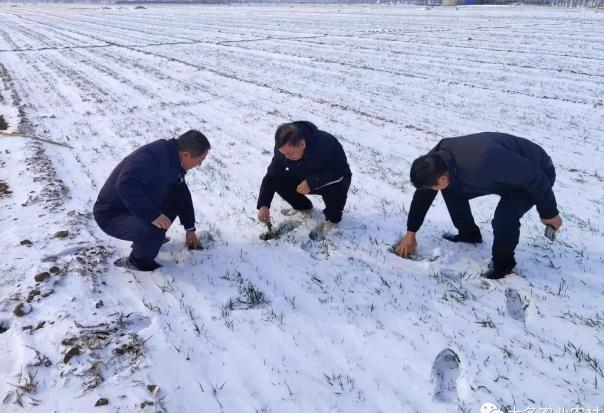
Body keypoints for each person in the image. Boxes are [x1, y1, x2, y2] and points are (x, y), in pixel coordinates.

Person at [395, 132, 562, 279]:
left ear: (442, 179)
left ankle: (503, 267)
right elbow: (424, 193)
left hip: (537, 172)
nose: (431, 191)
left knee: (504, 218)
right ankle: (469, 235)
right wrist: (411, 232)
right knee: (452, 190)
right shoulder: (436, 158)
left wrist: (549, 213)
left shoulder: (485, 159)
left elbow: (535, 176)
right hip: (503, 175)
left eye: (434, 186)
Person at [93, 130, 210, 271]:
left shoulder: (174, 159)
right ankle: (138, 262)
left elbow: (181, 194)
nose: (199, 165)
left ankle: (148, 240)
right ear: (186, 154)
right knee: (153, 231)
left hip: (131, 207)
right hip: (110, 214)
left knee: (172, 201)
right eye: (200, 159)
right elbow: (125, 184)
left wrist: (190, 230)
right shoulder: (153, 157)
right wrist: (153, 215)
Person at [257, 121, 352, 238]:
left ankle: (332, 220)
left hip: (334, 180)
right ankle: (304, 207)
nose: (285, 157)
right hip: (303, 175)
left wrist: (311, 182)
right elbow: (272, 175)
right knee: (279, 179)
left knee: (336, 196)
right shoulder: (283, 148)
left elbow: (339, 172)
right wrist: (263, 204)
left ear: (302, 144)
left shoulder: (327, 144)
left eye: (289, 153)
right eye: (283, 153)